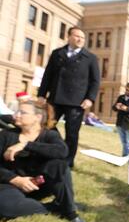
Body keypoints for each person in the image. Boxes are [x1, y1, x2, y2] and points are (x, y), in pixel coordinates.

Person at [0, 100, 86, 222]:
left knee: (59, 165)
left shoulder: (50, 135)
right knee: (5, 208)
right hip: (11, 185)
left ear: (37, 117)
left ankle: (69, 212)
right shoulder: (6, 135)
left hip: (40, 185)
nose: (16, 115)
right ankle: (56, 207)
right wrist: (15, 179)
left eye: (22, 112)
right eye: (17, 111)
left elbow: (62, 151)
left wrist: (26, 145)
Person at [37, 26, 100, 168]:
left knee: (72, 133)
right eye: (77, 36)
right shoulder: (57, 53)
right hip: (55, 99)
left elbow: (95, 81)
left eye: (82, 38)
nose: (80, 39)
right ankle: (49, 152)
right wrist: (41, 94)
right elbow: (47, 75)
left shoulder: (90, 58)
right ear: (69, 37)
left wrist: (90, 98)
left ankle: (67, 161)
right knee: (47, 127)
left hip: (76, 102)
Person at [112, 83, 129, 157]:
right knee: (123, 142)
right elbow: (113, 108)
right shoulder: (121, 97)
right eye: (126, 89)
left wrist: (127, 109)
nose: (126, 91)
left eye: (128, 90)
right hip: (120, 123)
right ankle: (124, 156)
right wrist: (116, 106)